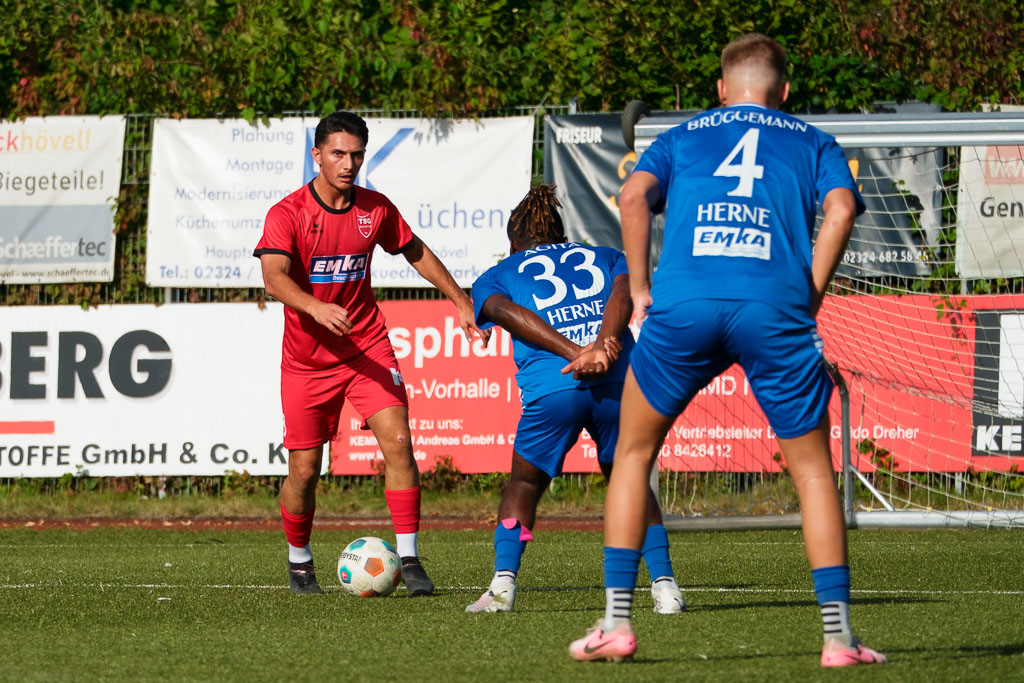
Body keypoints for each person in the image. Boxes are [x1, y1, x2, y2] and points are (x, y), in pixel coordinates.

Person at [569, 34, 887, 666]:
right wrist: (809, 294)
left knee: (632, 455)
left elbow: (632, 196)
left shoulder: (685, 135)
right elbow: (844, 208)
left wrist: (638, 290)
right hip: (775, 308)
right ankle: (837, 638)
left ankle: (616, 626)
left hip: (684, 306)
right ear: (785, 90)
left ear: (721, 88)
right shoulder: (811, 140)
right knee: (814, 473)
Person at [254, 111, 487, 596]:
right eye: (337, 153)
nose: (348, 163)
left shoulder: (374, 209)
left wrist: (459, 298)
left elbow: (414, 249)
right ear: (316, 155)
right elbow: (273, 277)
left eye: (356, 154)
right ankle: (300, 560)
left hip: (366, 348)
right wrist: (316, 307)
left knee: (399, 443)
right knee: (304, 470)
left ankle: (409, 558)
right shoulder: (288, 213)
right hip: (307, 362)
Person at [465, 184, 685, 615]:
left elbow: (508, 314)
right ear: (561, 235)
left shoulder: (498, 273)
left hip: (555, 388)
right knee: (631, 479)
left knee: (524, 484)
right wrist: (601, 345)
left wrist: (574, 353)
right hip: (619, 380)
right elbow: (623, 296)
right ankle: (665, 588)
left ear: (514, 242)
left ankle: (502, 590)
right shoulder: (606, 255)